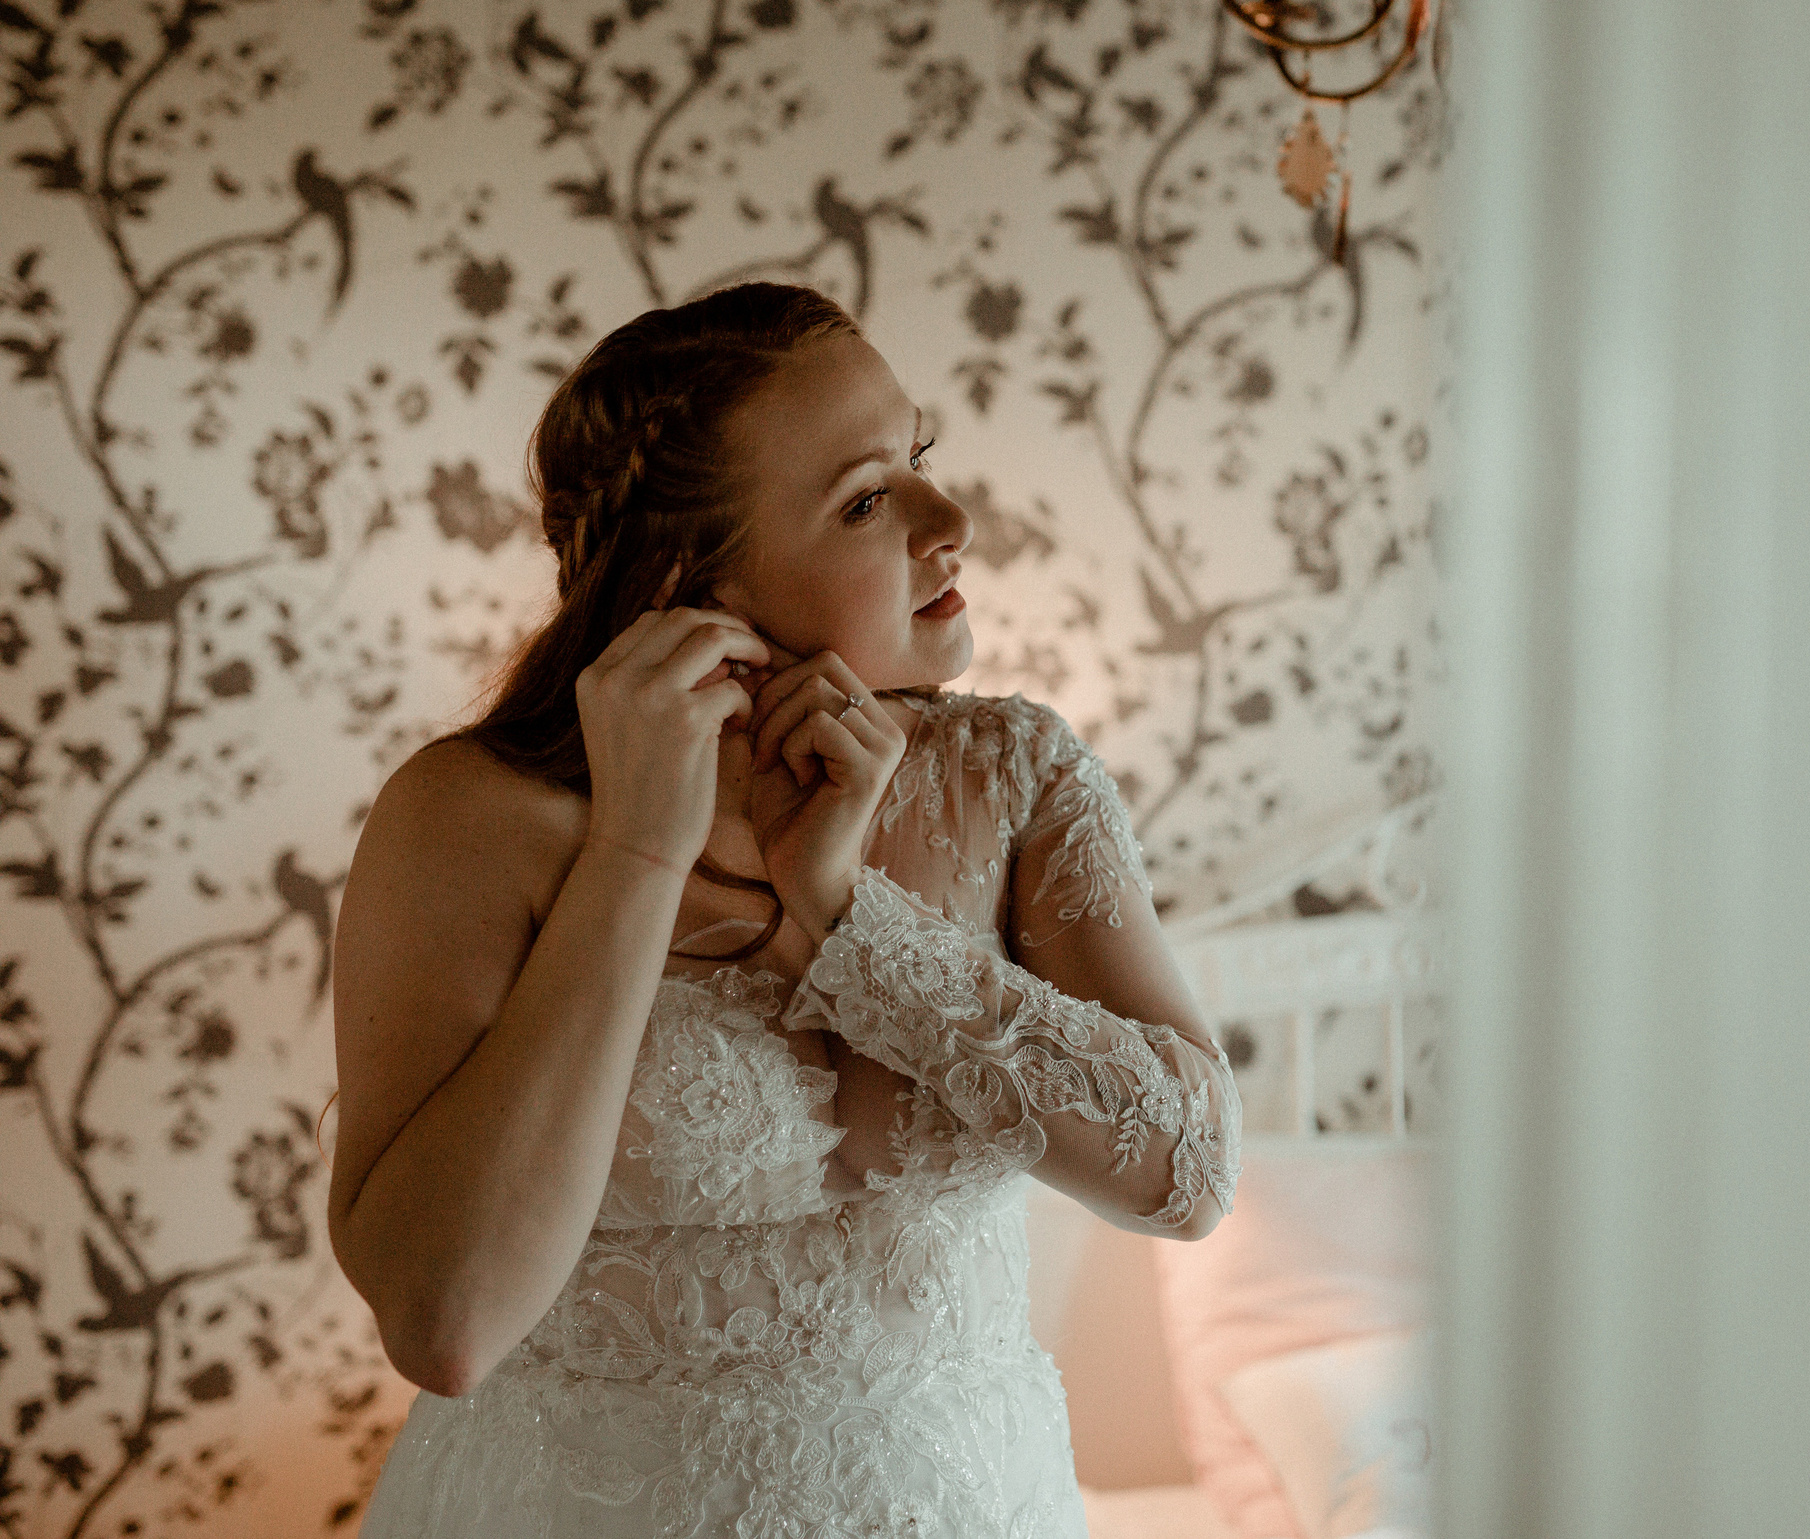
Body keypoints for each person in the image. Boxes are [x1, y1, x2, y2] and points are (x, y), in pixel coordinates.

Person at [328, 282, 1240, 1539]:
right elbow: (449, 1324)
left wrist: (843, 921)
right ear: (690, 582)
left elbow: (1188, 1175)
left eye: (919, 458)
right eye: (868, 498)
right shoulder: (474, 817)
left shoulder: (1013, 778)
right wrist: (636, 852)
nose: (952, 516)